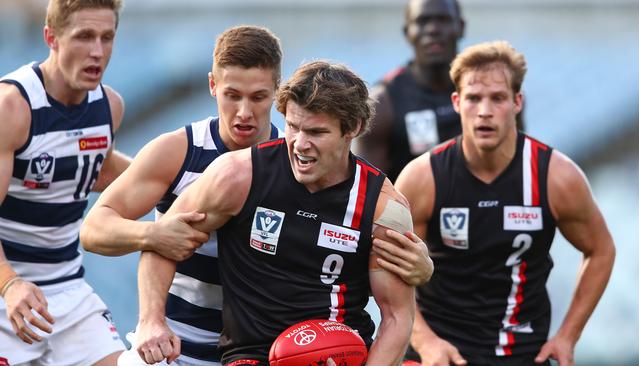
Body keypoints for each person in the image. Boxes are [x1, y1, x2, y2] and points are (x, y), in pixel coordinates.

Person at [80, 27, 431, 366]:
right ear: (213, 86)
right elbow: (119, 235)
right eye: (294, 127)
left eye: (316, 132)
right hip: (192, 343)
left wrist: (427, 266)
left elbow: (397, 315)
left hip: (331, 354)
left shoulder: (383, 206)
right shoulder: (228, 170)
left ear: (352, 129)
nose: (301, 143)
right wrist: (151, 300)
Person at [393, 41, 616, 366]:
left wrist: (568, 335)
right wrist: (426, 343)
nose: (484, 110)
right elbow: (387, 267)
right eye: (473, 98)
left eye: (497, 98)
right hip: (440, 356)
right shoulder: (422, 178)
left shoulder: (556, 177)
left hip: (522, 354)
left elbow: (601, 250)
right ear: (456, 102)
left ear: (516, 102)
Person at [0, 0, 131, 364]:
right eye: (84, 36)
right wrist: (9, 285)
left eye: (107, 38)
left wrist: (182, 180)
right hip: (5, 290)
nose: (97, 51)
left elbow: (98, 169)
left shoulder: (108, 106)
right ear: (51, 37)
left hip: (68, 291)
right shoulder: (12, 106)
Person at [354, 0, 465, 183]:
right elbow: (365, 191)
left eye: (443, 20)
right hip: (410, 210)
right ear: (407, 32)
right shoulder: (381, 103)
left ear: (460, 27)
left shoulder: (492, 95)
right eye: (423, 21)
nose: (433, 30)